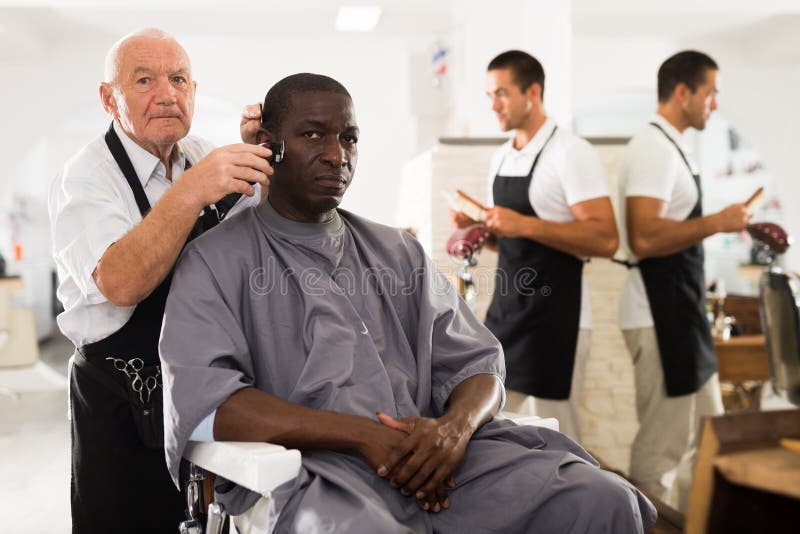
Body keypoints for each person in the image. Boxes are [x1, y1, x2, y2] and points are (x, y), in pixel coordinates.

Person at [159, 73, 655, 534]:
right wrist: (364, 437)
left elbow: (478, 366)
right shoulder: (216, 260)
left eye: (349, 138)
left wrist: (452, 432)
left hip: (444, 461)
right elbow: (212, 403)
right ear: (269, 147)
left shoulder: (398, 251)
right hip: (320, 471)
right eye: (314, 135)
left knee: (600, 498)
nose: (337, 155)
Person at [48, 28, 272, 533]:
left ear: (194, 90)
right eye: (144, 79)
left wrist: (257, 156)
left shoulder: (202, 154)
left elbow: (257, 235)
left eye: (178, 79)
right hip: (119, 399)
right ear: (110, 98)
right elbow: (121, 282)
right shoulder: (86, 177)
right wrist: (194, 190)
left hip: (196, 389)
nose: (167, 93)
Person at [453, 50, 618, 442]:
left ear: (533, 92)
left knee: (561, 437)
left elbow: (605, 238)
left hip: (559, 317)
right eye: (489, 95)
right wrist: (479, 228)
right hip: (509, 313)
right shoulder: (501, 157)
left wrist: (522, 222)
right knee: (490, 426)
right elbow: (516, 241)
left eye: (502, 94)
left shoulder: (571, 152)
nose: (493, 105)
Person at [618, 50, 750, 511]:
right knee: (663, 446)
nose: (714, 103)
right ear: (682, 92)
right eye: (710, 92)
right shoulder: (653, 147)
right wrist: (720, 221)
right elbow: (645, 236)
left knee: (712, 434)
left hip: (682, 312)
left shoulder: (673, 144)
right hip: (658, 317)